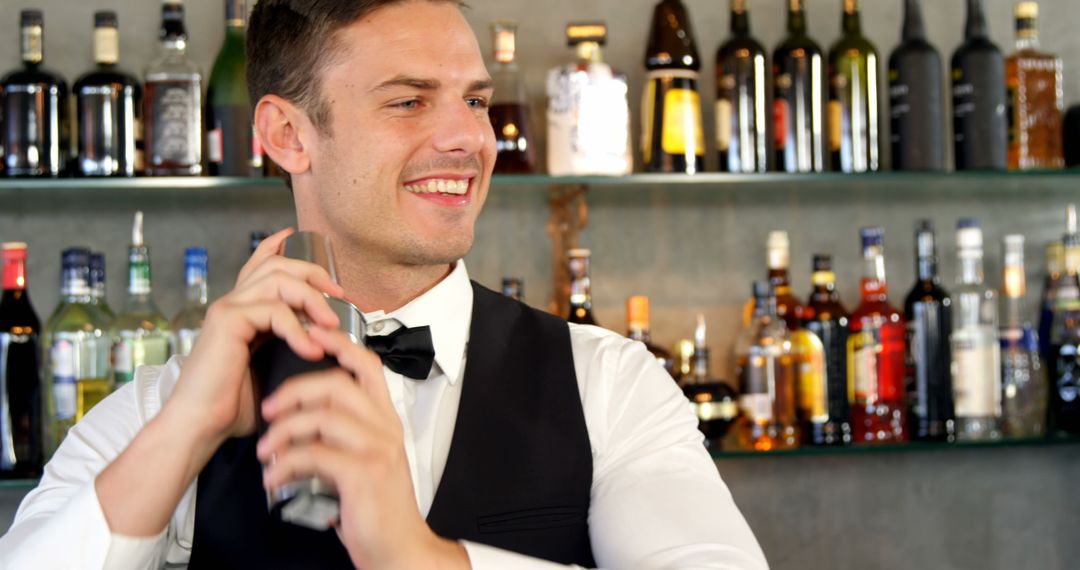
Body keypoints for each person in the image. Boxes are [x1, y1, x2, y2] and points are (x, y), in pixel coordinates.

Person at [0, 1, 769, 568]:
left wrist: (413, 554)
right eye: (408, 101)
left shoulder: (610, 383)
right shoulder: (157, 408)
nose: (471, 137)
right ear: (286, 135)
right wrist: (185, 430)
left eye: (472, 98)